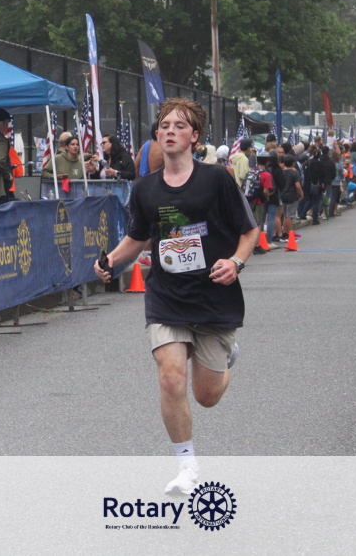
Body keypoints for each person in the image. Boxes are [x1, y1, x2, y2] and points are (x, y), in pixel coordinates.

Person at [93, 97, 258, 495]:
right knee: (170, 377)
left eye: (179, 126)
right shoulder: (145, 189)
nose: (169, 131)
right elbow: (139, 237)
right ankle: (186, 466)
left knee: (207, 397)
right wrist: (111, 260)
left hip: (214, 296)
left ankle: (225, 358)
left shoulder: (217, 179)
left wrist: (235, 262)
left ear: (194, 136)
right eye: (164, 126)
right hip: (167, 296)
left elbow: (249, 230)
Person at [280, 154, 303, 239]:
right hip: (292, 195)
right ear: (293, 163)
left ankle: (284, 232)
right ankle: (289, 233)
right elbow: (297, 185)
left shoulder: (282, 172)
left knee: (285, 215)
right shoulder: (295, 173)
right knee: (289, 216)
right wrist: (301, 194)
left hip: (283, 195)